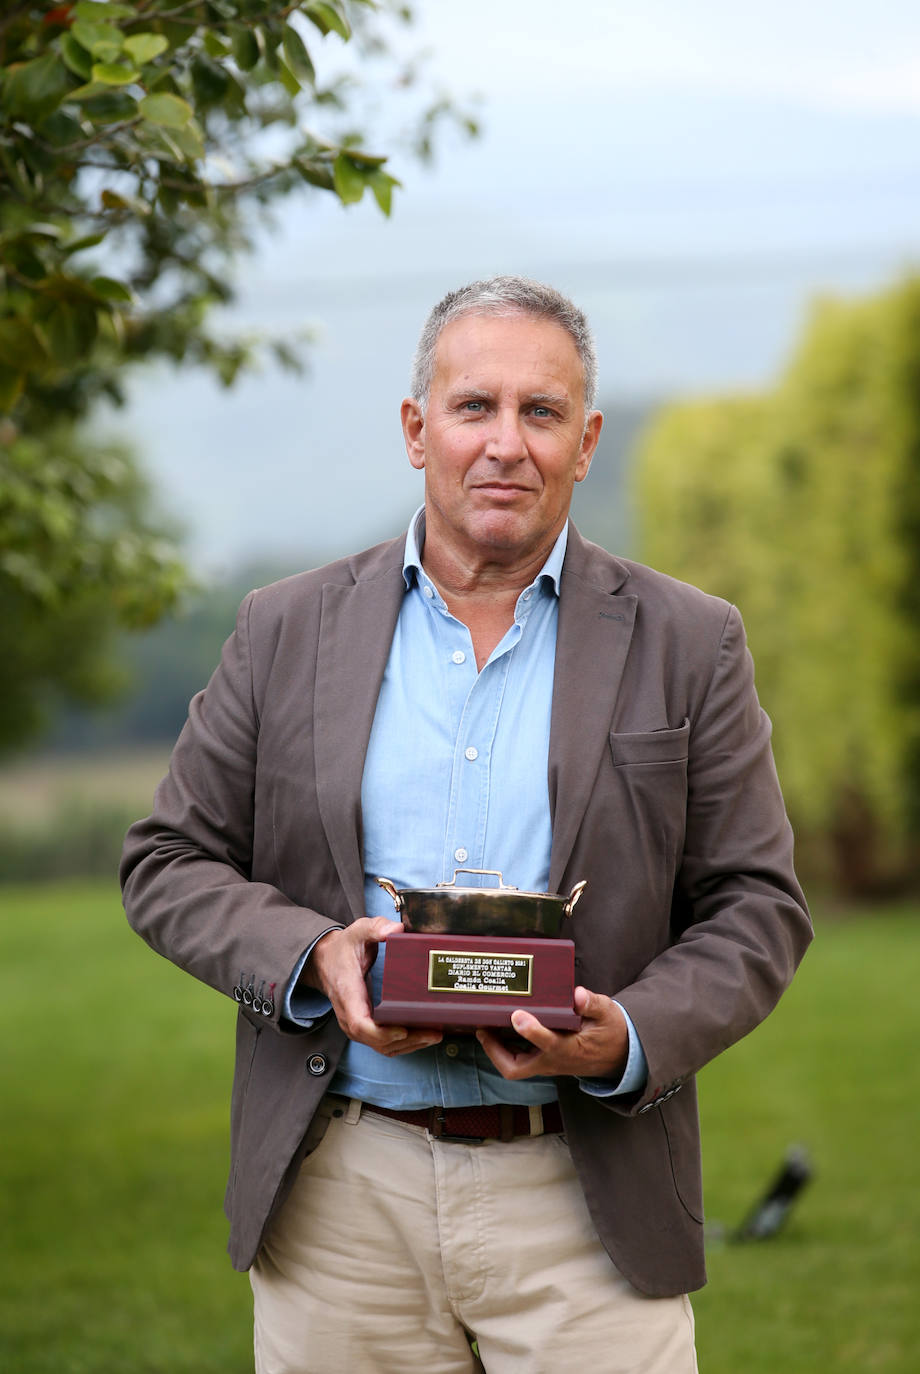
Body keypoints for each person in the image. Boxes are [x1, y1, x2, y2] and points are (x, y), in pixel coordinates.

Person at [121, 275, 812, 1373]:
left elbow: (757, 907)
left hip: (585, 1194)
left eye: (540, 414)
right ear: (415, 430)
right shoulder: (282, 628)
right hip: (341, 1195)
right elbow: (165, 861)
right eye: (472, 407)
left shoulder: (691, 640)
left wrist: (624, 1037)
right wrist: (316, 959)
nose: (505, 444)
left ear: (584, 444)